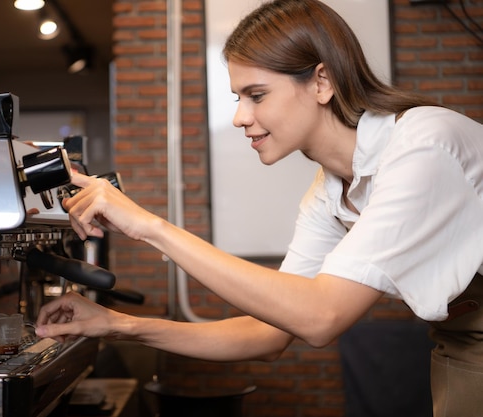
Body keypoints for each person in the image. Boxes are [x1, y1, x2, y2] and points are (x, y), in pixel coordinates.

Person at [35, 0, 483, 415]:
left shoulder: (422, 147)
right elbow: (268, 334)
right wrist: (119, 325)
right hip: (458, 340)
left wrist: (149, 226)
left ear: (322, 82)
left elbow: (319, 317)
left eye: (257, 95)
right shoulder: (329, 192)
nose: (239, 117)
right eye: (237, 98)